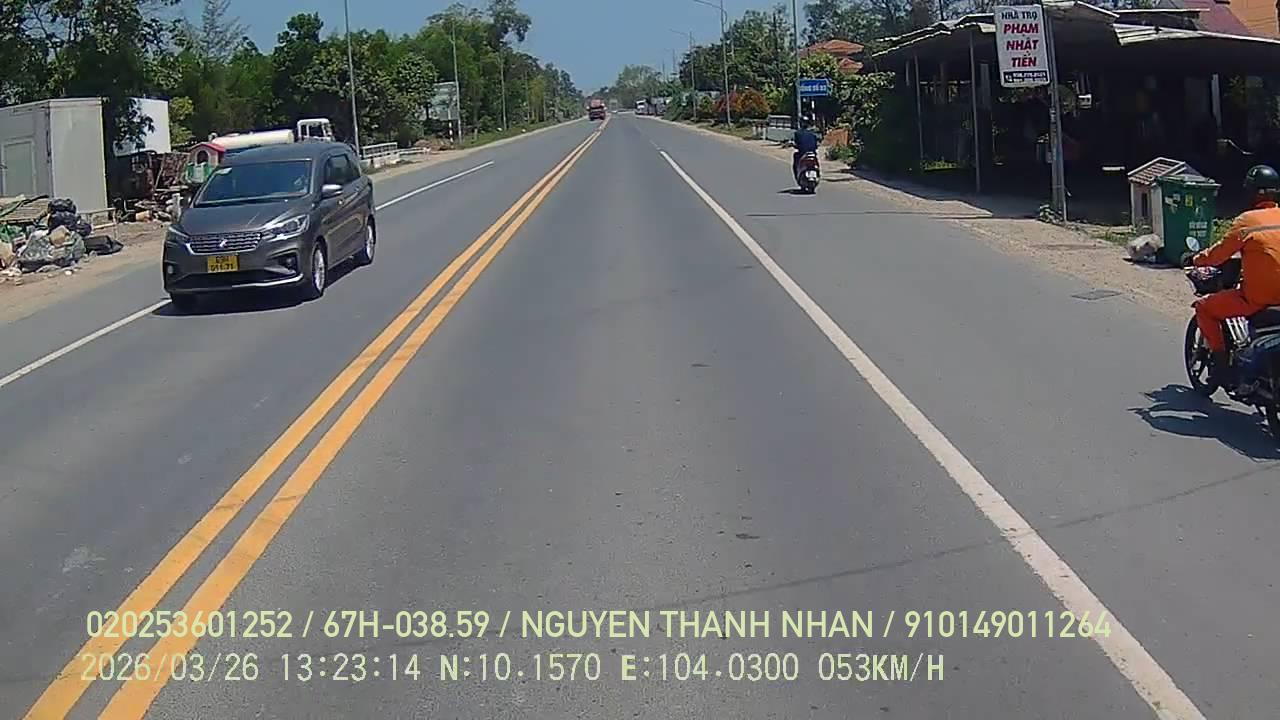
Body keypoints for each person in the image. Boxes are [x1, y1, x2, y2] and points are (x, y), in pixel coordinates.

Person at [1192, 164, 1280, 383]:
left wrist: (1195, 259)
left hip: (1258, 299)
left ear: (1251, 193)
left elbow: (1218, 254)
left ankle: (1220, 362)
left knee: (1204, 307)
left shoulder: (1246, 222)